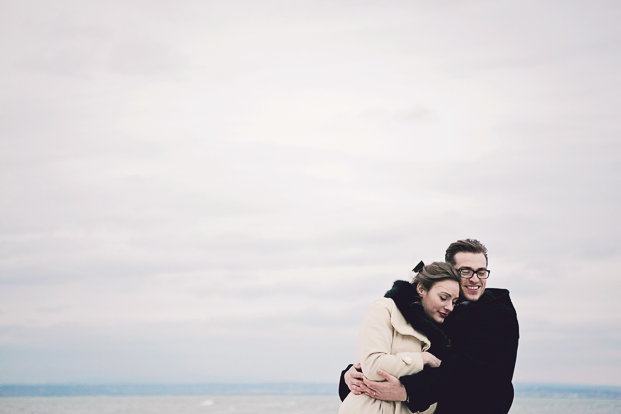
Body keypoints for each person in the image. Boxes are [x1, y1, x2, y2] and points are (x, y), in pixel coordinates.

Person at [339, 239, 520, 414]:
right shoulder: (436, 313)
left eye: (481, 272)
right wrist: (351, 375)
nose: (475, 279)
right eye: (466, 271)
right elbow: (395, 353)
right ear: (451, 272)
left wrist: (407, 391)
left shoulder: (498, 315)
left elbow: (466, 369)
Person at [339, 262, 461, 414]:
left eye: (454, 302)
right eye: (444, 298)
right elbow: (372, 366)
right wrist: (422, 358)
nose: (450, 307)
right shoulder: (386, 309)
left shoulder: (443, 335)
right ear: (421, 289)